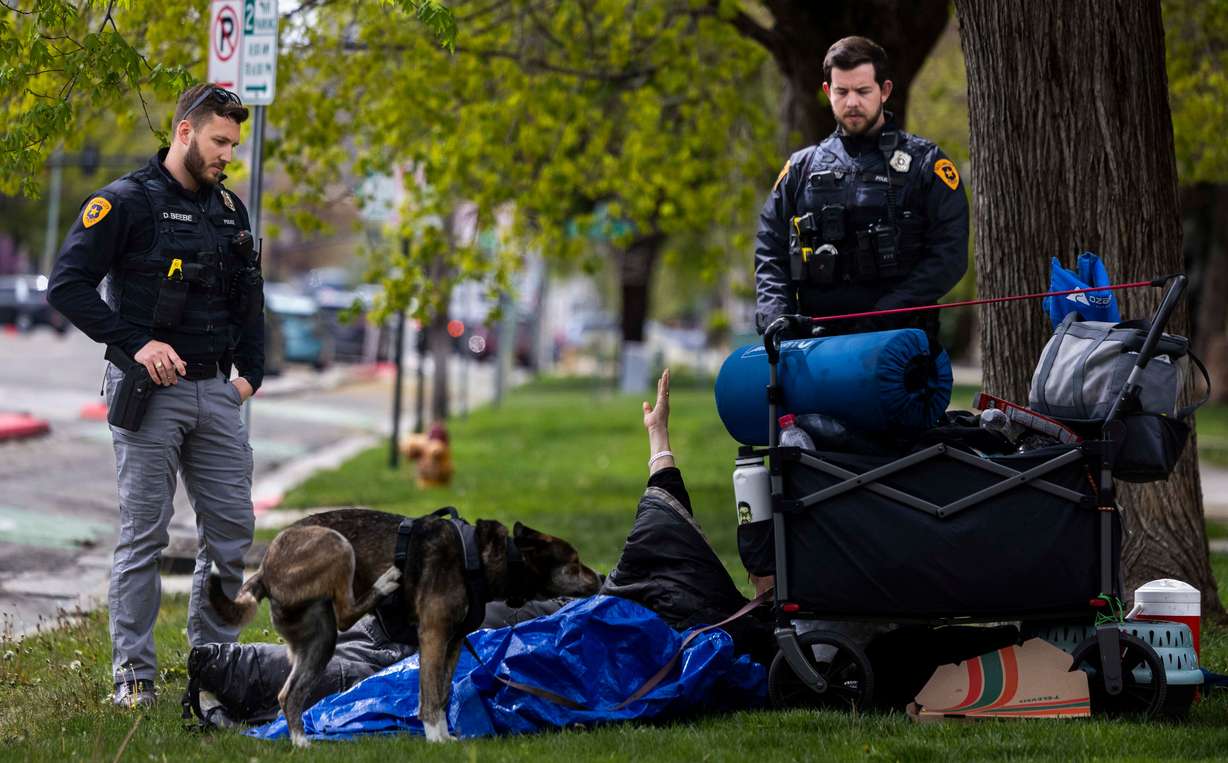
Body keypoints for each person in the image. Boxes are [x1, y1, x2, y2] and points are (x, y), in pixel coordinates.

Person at [186, 369, 775, 726]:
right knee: (395, 650)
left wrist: (660, 443)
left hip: (538, 624)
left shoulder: (692, 609)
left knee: (390, 658)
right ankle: (233, 664)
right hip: (540, 620)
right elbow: (662, 531)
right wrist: (659, 442)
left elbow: (662, 523)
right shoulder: (706, 618)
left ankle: (227, 666)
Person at [47, 84, 265, 708]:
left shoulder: (230, 209)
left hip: (216, 391)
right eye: (220, 141)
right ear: (184, 132)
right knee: (146, 533)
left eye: (234, 144)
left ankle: (212, 668)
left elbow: (250, 302)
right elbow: (68, 285)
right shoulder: (123, 202)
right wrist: (135, 344)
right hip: (149, 392)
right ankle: (134, 676)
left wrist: (249, 374)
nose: (228, 154)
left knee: (230, 533)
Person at [754, 36, 968, 340]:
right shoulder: (801, 168)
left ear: (885, 91)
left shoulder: (926, 164)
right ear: (828, 92)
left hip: (900, 344)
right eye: (842, 91)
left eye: (863, 91)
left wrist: (887, 314)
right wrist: (777, 316)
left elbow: (949, 255)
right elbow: (769, 249)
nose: (852, 102)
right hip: (816, 346)